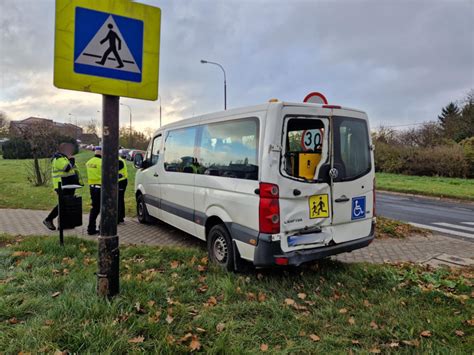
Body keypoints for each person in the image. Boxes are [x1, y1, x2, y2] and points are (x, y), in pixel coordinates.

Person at [43, 143, 81, 230]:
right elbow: (67, 168)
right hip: (61, 185)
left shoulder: (64, 158)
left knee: (66, 204)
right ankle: (48, 219)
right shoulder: (58, 158)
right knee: (62, 204)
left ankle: (63, 224)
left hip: (68, 185)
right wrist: (72, 160)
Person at [86, 146, 103, 235]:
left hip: (92, 188)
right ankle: (102, 228)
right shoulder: (102, 163)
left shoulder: (89, 162)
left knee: (94, 209)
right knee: (103, 208)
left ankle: (90, 229)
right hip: (101, 188)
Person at [118, 156, 128, 223]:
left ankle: (119, 218)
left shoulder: (119, 161)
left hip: (121, 182)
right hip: (121, 181)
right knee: (120, 199)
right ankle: (120, 217)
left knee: (119, 200)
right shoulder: (119, 159)